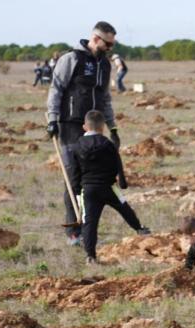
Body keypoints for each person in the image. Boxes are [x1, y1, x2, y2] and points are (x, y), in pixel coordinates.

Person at [47, 21, 121, 246]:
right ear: (96, 39)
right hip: (70, 125)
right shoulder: (71, 59)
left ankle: (88, 226)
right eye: (108, 44)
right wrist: (52, 119)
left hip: (95, 127)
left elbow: (106, 98)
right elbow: (56, 89)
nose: (110, 48)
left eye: (112, 44)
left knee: (92, 178)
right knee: (73, 176)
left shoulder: (106, 65)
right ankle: (73, 229)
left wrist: (113, 127)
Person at [65, 110, 150, 264]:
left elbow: (74, 172)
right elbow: (118, 164)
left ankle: (90, 256)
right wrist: (122, 183)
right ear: (102, 127)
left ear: (85, 126)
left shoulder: (77, 147)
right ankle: (140, 229)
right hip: (109, 187)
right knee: (124, 208)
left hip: (88, 190)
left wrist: (77, 191)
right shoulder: (108, 144)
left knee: (89, 223)